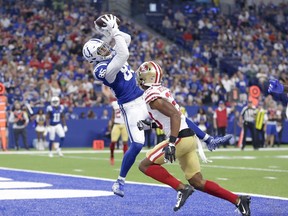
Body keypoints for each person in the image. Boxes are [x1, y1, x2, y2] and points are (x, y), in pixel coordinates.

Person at [83, 14, 232, 197]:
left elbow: (126, 39)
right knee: (138, 144)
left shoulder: (109, 54)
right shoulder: (100, 70)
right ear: (93, 58)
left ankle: (209, 140)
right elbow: (124, 53)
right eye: (100, 50)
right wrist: (113, 30)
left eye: (104, 46)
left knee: (177, 114)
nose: (105, 49)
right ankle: (120, 181)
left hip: (143, 96)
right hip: (130, 106)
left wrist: (110, 32)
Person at [135, 61, 251, 215]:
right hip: (188, 138)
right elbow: (174, 118)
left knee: (145, 166)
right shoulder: (161, 90)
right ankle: (238, 200)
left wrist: (171, 143)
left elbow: (175, 115)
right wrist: (151, 125)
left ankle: (181, 189)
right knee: (197, 182)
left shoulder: (151, 94)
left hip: (179, 139)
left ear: (147, 77)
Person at [109, 100, 129, 165]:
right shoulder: (114, 103)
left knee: (125, 142)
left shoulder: (127, 102)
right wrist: (111, 124)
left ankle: (125, 159)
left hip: (124, 124)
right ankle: (112, 156)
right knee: (113, 141)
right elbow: (113, 115)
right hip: (116, 124)